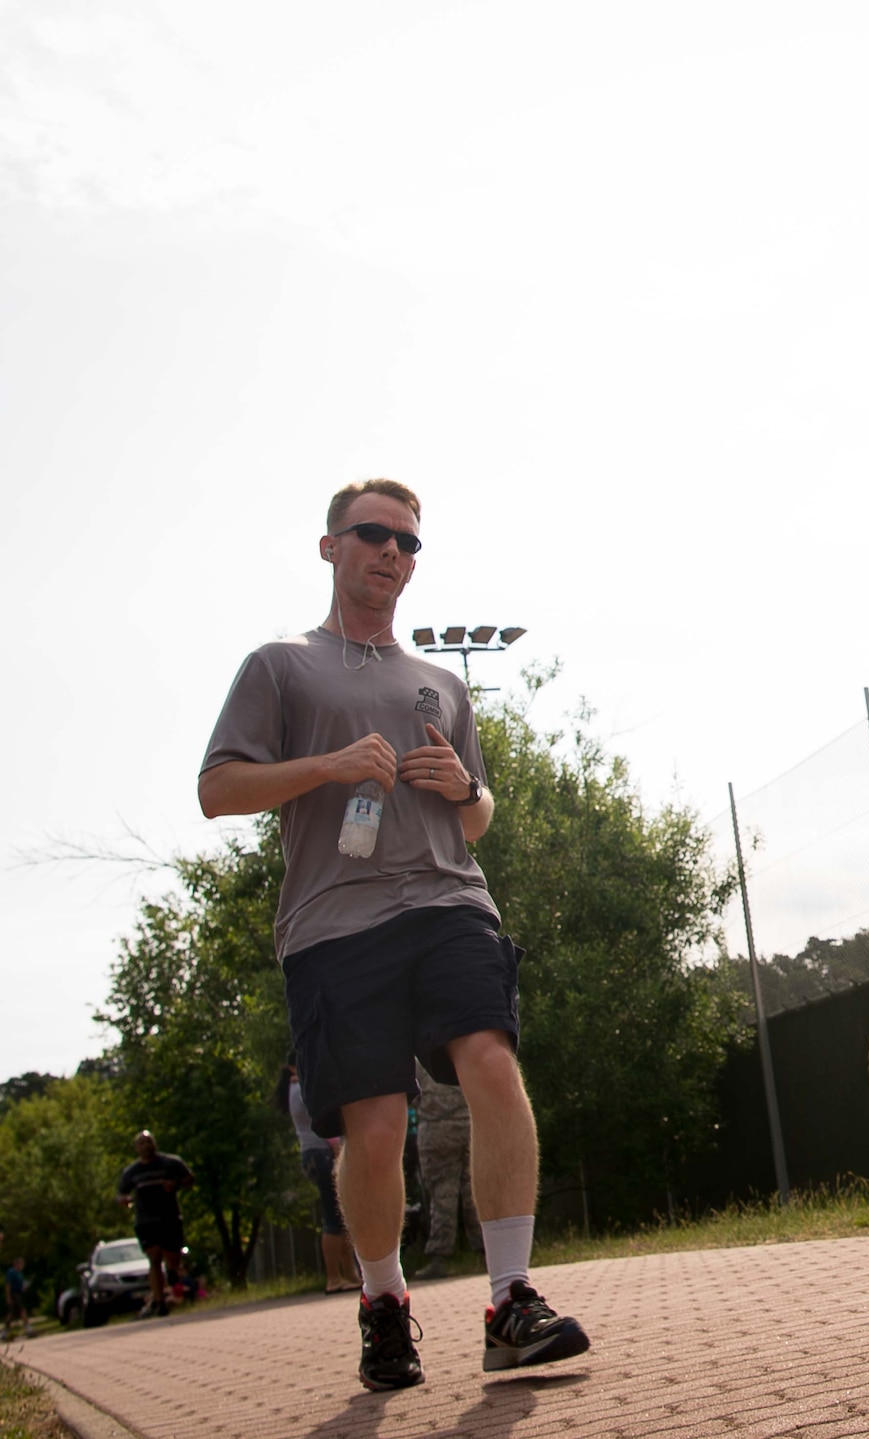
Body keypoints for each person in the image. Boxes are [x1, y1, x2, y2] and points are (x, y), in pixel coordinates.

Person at [198, 478, 588, 1391]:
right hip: (333, 925)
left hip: (449, 899)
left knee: (491, 1059)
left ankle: (511, 1299)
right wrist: (327, 766)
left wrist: (464, 788)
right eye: (373, 535)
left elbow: (480, 817)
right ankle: (383, 1303)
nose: (392, 554)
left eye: (409, 543)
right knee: (373, 1129)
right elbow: (217, 790)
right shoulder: (281, 665)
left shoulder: (442, 682)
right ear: (331, 546)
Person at [275, 1061, 362, 1294]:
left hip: (315, 1155)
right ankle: (334, 1277)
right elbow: (322, 1121)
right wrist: (337, 1151)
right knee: (333, 1217)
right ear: (292, 1066)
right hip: (321, 1155)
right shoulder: (302, 1089)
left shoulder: (296, 1088)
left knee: (340, 1215)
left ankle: (350, 1273)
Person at [413, 1067, 482, 1282]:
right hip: (470, 1125)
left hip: (436, 1131)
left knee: (442, 1196)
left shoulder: (418, 1060)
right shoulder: (461, 1048)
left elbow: (411, 1097)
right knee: (477, 1191)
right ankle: (487, 1253)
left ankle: (439, 1259)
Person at [116, 1131, 193, 1317]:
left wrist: (175, 1185)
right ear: (137, 1148)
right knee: (154, 1258)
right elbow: (120, 1194)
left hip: (169, 1217)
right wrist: (124, 1199)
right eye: (142, 1143)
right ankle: (160, 1302)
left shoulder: (170, 1163)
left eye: (149, 1141)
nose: (146, 1145)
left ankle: (173, 1270)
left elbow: (189, 1178)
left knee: (173, 1258)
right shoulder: (131, 1172)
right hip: (146, 1221)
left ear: (154, 1143)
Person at [4, 1257, 32, 1340]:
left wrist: (25, 1287)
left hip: (19, 1294)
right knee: (22, 1310)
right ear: (16, 1264)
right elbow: (8, 1285)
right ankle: (28, 1328)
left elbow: (21, 1285)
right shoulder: (11, 1272)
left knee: (12, 1314)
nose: (22, 1266)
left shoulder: (20, 1274)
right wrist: (8, 1297)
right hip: (14, 1295)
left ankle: (5, 1331)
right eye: (21, 1264)